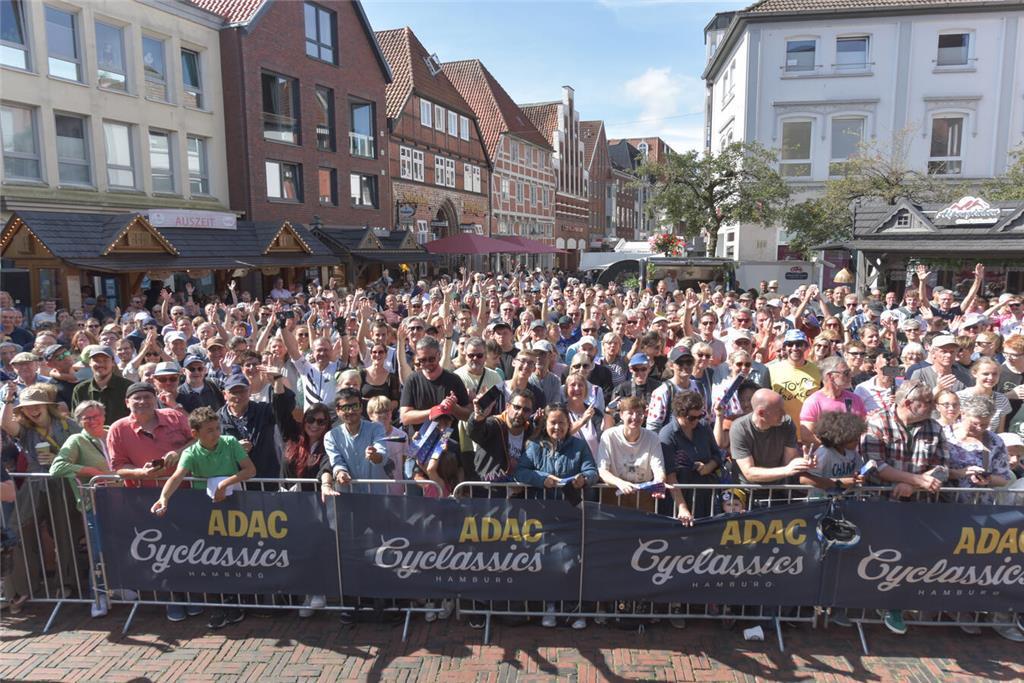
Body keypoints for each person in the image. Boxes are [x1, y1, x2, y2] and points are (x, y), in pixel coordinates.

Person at [151, 407, 256, 630]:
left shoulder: (229, 442)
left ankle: (235, 603)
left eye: (217, 428)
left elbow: (250, 470)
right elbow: (177, 477)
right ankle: (219, 604)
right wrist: (163, 498)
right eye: (209, 430)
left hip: (234, 507)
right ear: (195, 433)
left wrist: (223, 484)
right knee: (213, 557)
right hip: (207, 511)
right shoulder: (190, 453)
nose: (216, 433)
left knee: (235, 555)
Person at [0, 383, 81, 612]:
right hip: (34, 485)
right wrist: (8, 399)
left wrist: (59, 457)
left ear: (47, 406)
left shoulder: (68, 425)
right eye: (27, 407)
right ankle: (20, 588)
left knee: (64, 533)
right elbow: (5, 424)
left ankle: (66, 584)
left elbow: (83, 451)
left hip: (62, 484)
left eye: (37, 405)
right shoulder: (26, 430)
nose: (32, 410)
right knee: (16, 532)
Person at [48, 400, 116, 617]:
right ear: (79, 421)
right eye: (87, 418)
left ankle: (120, 587)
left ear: (104, 416)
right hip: (94, 504)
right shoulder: (76, 440)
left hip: (124, 502)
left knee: (121, 547)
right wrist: (88, 470)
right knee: (98, 551)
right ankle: (97, 595)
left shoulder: (114, 433)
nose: (92, 420)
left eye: (96, 416)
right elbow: (57, 467)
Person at [217, 372, 294, 481]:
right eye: (234, 392)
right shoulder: (215, 420)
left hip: (265, 480)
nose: (238, 396)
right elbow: (210, 450)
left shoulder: (262, 411)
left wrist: (277, 381)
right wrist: (234, 449)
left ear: (249, 392)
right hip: (232, 482)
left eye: (242, 391)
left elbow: (284, 408)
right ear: (225, 394)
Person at [660, 391, 722, 522]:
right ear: (679, 414)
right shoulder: (667, 435)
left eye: (701, 416)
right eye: (692, 418)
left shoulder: (704, 427)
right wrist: (682, 508)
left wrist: (708, 467)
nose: (697, 421)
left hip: (706, 496)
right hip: (679, 498)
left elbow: (717, 455)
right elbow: (670, 477)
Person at [596, 396, 665, 513]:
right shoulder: (609, 436)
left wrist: (659, 483)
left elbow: (659, 469)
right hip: (614, 493)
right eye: (630, 413)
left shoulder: (653, 438)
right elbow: (602, 471)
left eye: (639, 413)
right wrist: (620, 483)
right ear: (621, 415)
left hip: (643, 496)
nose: (635, 417)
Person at [323, 388, 388, 494]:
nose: (351, 411)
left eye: (355, 406)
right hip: (347, 497)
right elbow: (337, 462)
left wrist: (375, 455)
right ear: (337, 411)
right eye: (345, 407)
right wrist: (341, 473)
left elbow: (382, 455)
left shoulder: (377, 428)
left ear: (361, 408)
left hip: (377, 496)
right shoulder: (330, 436)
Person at [466, 388, 534, 486]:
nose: (520, 413)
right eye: (517, 407)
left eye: (526, 410)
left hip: (520, 495)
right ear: (507, 406)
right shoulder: (494, 424)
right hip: (490, 492)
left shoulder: (531, 431)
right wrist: (478, 416)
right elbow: (475, 433)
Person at [799, 356, 867, 445]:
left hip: (853, 454)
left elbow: (864, 426)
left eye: (849, 372)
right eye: (846, 373)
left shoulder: (855, 399)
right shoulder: (813, 402)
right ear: (831, 376)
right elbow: (807, 435)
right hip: (824, 455)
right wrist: (835, 450)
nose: (850, 376)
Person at [803, 411, 867, 498]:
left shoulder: (854, 454)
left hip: (844, 502)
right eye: (853, 438)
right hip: (820, 503)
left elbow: (858, 472)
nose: (857, 441)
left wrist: (859, 477)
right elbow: (805, 479)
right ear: (841, 437)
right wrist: (838, 483)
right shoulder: (824, 453)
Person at [768, 330, 821, 428]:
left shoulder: (818, 371)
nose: (794, 348)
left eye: (799, 344)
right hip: (782, 433)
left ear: (806, 347)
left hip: (810, 433)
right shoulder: (771, 370)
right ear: (784, 348)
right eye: (790, 344)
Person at [72, 345, 133, 423]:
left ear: (113, 363)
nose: (100, 364)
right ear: (90, 363)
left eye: (105, 360)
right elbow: (76, 420)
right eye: (96, 360)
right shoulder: (80, 389)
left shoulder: (128, 387)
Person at [646, 347, 697, 433]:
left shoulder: (699, 387)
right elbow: (653, 427)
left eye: (689, 362)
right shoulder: (662, 391)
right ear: (671, 365)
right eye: (680, 363)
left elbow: (704, 419)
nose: (685, 366)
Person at [957, 357, 1011, 432]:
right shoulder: (959, 397)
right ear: (974, 373)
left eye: (994, 374)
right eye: (986, 374)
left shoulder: (1001, 399)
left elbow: (1000, 432)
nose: (990, 377)